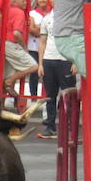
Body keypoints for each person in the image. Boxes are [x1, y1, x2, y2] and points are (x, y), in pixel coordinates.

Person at [37, 8, 73, 140]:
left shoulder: (70, 17)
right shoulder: (46, 19)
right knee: (50, 97)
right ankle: (50, 127)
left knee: (68, 96)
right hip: (49, 60)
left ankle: (70, 128)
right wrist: (40, 64)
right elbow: (42, 42)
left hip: (65, 61)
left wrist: (74, 61)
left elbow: (75, 40)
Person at [0, 0, 39, 98]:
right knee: (34, 66)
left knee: (8, 70)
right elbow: (16, 33)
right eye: (23, 1)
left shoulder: (8, 11)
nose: (26, 2)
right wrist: (24, 47)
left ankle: (4, 88)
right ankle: (9, 81)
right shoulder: (19, 12)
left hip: (2, 43)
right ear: (15, 2)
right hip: (11, 43)